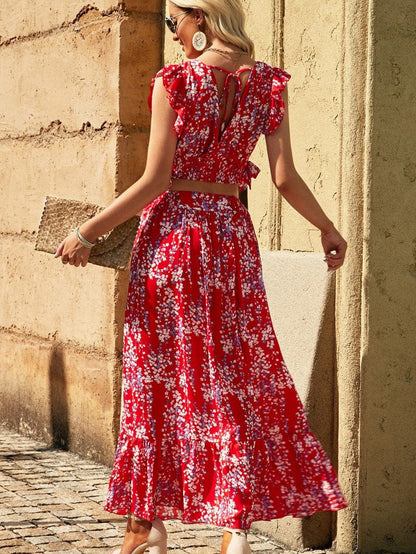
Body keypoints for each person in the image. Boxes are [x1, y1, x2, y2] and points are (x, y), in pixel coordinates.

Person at [56, 1, 348, 552]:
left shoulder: (175, 80)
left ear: (199, 18)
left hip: (171, 240)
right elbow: (284, 178)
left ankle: (150, 527)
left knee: (156, 378)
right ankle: (234, 532)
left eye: (174, 22)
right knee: (233, 377)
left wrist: (88, 232)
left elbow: (153, 181)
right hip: (231, 240)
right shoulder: (267, 83)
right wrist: (327, 228)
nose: (172, 33)